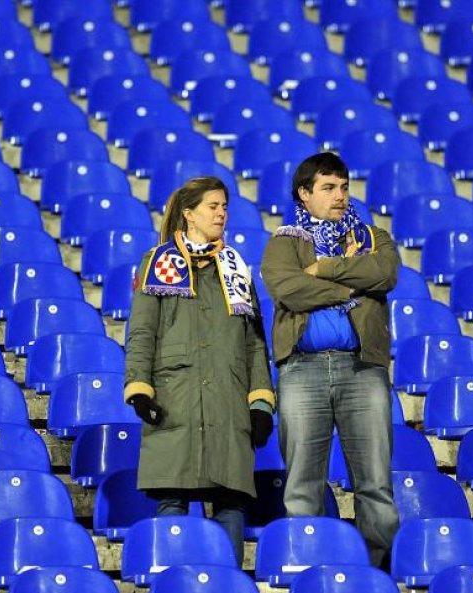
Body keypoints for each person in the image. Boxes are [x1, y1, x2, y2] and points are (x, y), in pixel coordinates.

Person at [123, 176, 276, 567]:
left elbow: (255, 343)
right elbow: (142, 332)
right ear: (189, 214)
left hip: (228, 403)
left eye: (225, 206)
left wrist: (260, 402)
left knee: (231, 502)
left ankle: (227, 582)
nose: (222, 213)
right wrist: (140, 389)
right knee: (171, 497)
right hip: (176, 399)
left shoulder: (236, 266)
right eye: (213, 206)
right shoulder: (158, 262)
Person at [260, 152, 400, 569]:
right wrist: (347, 290)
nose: (339, 196)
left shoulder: (374, 238)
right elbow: (288, 290)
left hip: (363, 369)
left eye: (343, 187)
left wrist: (323, 269)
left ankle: (378, 574)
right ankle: (311, 570)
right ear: (304, 194)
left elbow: (386, 274)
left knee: (375, 483)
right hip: (302, 370)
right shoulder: (284, 241)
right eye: (328, 188)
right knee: (302, 483)